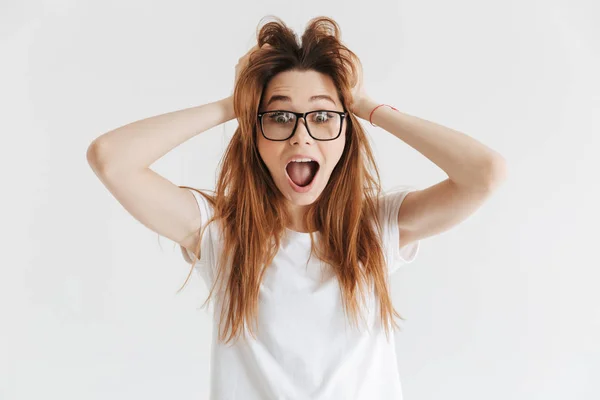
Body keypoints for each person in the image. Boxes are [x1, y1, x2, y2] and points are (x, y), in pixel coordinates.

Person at [87, 15, 506, 400]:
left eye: (323, 116)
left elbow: (485, 173)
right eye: (281, 116)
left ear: (346, 135)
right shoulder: (221, 232)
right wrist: (236, 103)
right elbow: (110, 158)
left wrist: (366, 105)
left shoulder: (377, 229)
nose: (301, 137)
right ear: (255, 133)